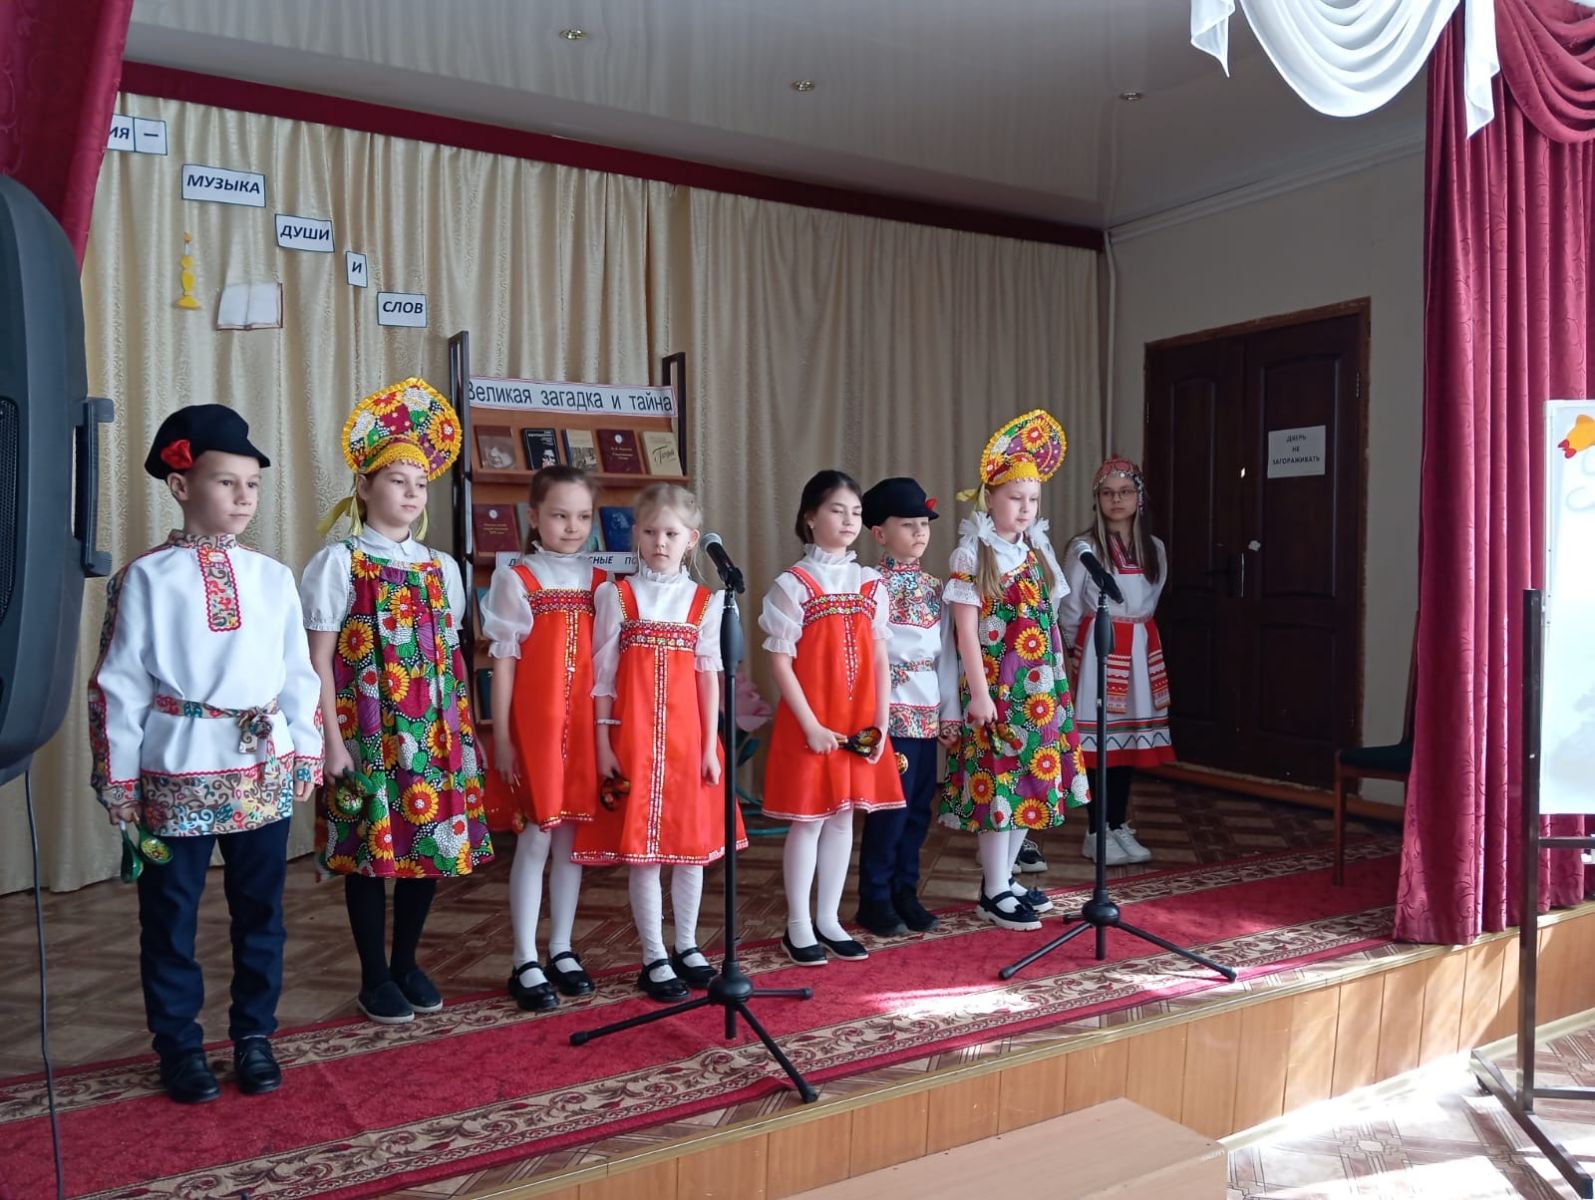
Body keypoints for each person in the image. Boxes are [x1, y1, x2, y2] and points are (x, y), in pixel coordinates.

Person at [88, 405, 323, 1102]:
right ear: (181, 485)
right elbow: (118, 686)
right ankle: (179, 1046)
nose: (244, 497)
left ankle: (254, 1035)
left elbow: (298, 672)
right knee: (170, 915)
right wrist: (119, 779)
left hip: (261, 769)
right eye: (227, 482)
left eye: (252, 484)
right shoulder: (144, 578)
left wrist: (305, 749)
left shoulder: (273, 577)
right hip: (176, 770)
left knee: (261, 912)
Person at [302, 378, 492, 1026]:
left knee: (426, 843)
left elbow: (450, 659)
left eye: (420, 484)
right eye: (395, 480)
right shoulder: (339, 563)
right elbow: (317, 661)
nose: (410, 493)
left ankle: (407, 961)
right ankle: (373, 974)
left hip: (433, 731)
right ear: (363, 486)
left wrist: (464, 734)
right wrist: (330, 742)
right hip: (366, 731)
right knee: (368, 850)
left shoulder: (443, 568)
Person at [573, 484, 746, 999]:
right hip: (635, 743)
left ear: (691, 539)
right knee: (645, 854)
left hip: (689, 744)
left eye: (671, 533)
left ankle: (687, 944)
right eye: (649, 532)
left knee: (689, 852)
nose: (659, 542)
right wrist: (604, 742)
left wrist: (710, 745)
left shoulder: (705, 601)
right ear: (636, 534)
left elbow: (709, 676)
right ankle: (653, 955)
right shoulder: (617, 596)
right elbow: (603, 677)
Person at [940, 410, 1090, 931]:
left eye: (1033, 500)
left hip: (1039, 691)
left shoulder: (1033, 550)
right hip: (998, 692)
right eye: (1014, 498)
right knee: (998, 785)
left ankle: (1003, 879)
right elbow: (965, 634)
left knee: (1029, 782)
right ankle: (993, 888)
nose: (1025, 509)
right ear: (990, 498)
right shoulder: (972, 554)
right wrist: (979, 695)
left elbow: (1046, 620)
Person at [760, 470, 904, 965]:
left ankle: (829, 918)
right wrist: (811, 726)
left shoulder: (870, 583)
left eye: (856, 513)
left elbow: (880, 657)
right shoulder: (793, 584)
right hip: (813, 723)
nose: (848, 521)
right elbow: (780, 663)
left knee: (844, 819)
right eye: (836, 510)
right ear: (810, 516)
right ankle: (798, 925)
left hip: (860, 719)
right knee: (809, 821)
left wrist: (881, 722)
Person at [479, 464, 605, 1011]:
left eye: (583, 516)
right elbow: (504, 662)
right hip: (537, 730)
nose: (572, 527)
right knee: (535, 835)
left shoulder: (602, 583)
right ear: (534, 517)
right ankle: (524, 956)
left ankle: (562, 947)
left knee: (571, 840)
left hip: (584, 729)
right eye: (559, 515)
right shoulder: (518, 578)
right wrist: (504, 736)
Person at [852, 477, 958, 937]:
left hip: (926, 711)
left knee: (917, 809)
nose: (919, 533)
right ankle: (874, 898)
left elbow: (946, 656)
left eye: (924, 525)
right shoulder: (868, 585)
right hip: (887, 711)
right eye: (908, 524)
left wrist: (949, 713)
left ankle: (905, 892)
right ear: (879, 533)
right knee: (888, 811)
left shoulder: (937, 588)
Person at [1062, 456, 1174, 866]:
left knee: (1127, 740)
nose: (1116, 500)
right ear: (1097, 499)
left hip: (1140, 647)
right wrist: (1075, 650)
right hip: (1101, 647)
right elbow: (1070, 605)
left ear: (1139, 497)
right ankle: (1096, 831)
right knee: (1099, 741)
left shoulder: (1154, 548)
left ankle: (1117, 824)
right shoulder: (1085, 548)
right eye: (1108, 493)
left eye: (1125, 492)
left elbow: (1152, 597)